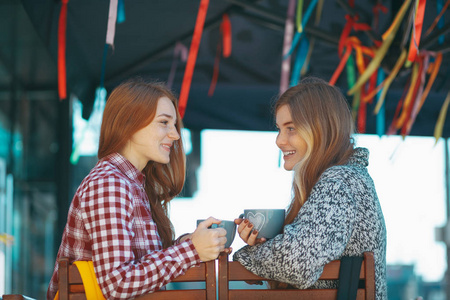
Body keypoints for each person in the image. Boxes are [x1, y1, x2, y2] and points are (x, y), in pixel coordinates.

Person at [47, 78, 228, 300]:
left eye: (174, 125)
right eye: (164, 122)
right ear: (130, 123)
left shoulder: (132, 185)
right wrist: (191, 251)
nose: (175, 134)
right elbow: (117, 283)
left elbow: (140, 267)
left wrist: (191, 243)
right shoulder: (109, 184)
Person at [233, 77, 387, 299]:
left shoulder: (339, 183)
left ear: (320, 129)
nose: (279, 140)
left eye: (291, 128)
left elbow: (297, 263)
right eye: (279, 129)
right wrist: (273, 243)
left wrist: (249, 254)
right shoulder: (346, 178)